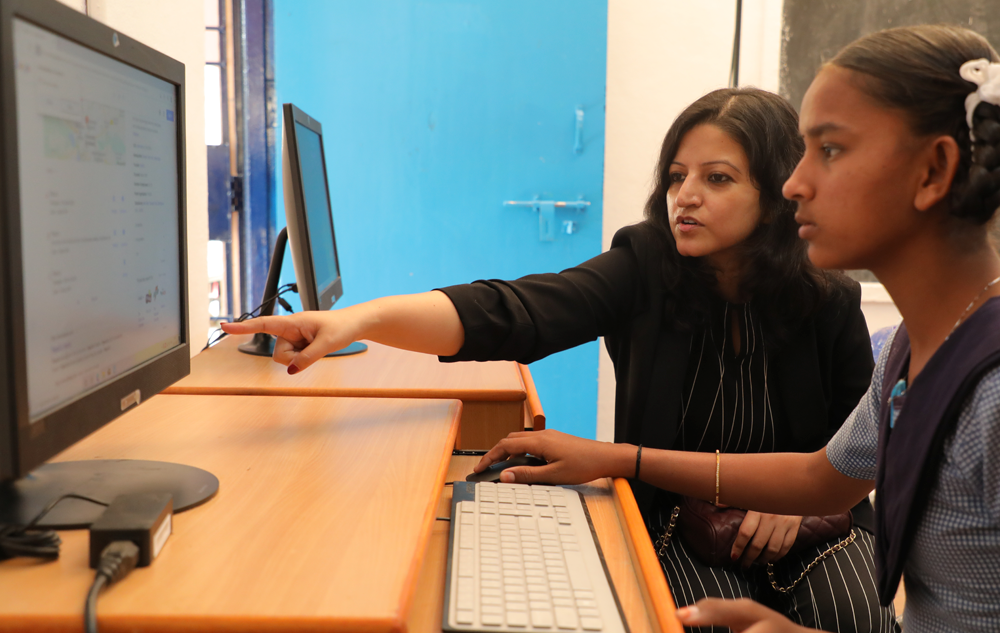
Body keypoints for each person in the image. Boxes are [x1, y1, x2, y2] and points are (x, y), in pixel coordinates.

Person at [475, 25, 1000, 633]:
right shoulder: (910, 351)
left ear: (932, 171)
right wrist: (613, 457)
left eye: (829, 149)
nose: (793, 183)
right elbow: (820, 475)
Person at [223, 88, 898, 632]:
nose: (684, 195)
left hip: (809, 524)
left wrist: (809, 498)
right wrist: (358, 319)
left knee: (854, 616)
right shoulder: (646, 265)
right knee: (697, 621)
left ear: (778, 193)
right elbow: (515, 310)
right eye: (676, 176)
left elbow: (866, 449)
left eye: (716, 178)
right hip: (682, 523)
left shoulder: (829, 298)